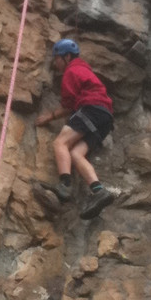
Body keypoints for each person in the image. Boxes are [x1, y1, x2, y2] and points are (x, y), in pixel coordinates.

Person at [35, 39, 115, 219]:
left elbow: (69, 104)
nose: (55, 62)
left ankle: (65, 185)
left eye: (57, 58)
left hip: (91, 108)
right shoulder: (85, 70)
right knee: (76, 154)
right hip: (106, 119)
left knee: (60, 143)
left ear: (67, 57)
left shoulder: (71, 71)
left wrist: (49, 116)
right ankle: (99, 191)